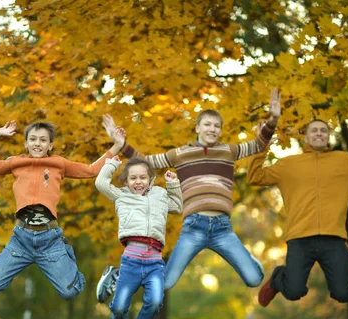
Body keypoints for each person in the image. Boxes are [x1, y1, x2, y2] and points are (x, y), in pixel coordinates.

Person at [96, 89, 281, 303]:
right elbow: (146, 162)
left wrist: (273, 120)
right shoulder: (180, 153)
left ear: (220, 131)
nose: (212, 129)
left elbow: (258, 145)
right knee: (164, 282)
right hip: (194, 227)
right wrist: (121, 145)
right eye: (208, 124)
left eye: (216, 126)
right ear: (197, 128)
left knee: (254, 278)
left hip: (222, 228)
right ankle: (117, 276)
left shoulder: (229, 151)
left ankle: (246, 259)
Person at [246, 111, 348, 307]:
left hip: (333, 237)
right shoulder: (288, 165)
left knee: (343, 294)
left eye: (323, 130)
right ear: (306, 136)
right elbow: (254, 176)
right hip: (300, 239)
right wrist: (261, 146)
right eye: (314, 130)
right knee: (294, 291)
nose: (319, 133)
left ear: (328, 136)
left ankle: (345, 256)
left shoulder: (345, 161)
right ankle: (278, 277)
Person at [0, 120, 125, 298]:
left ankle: (68, 256)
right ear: (26, 144)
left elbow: (91, 170)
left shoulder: (59, 163)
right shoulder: (16, 162)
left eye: (43, 140)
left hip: (50, 241)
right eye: (32, 139)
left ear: (50, 145)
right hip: (21, 240)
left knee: (70, 292)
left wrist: (117, 145)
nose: (37, 143)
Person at [95, 136, 183, 319]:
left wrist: (173, 185)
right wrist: (111, 164)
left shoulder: (160, 195)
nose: (138, 181)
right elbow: (100, 183)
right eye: (133, 178)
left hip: (154, 262)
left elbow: (177, 207)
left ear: (151, 180)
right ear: (126, 182)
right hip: (131, 261)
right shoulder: (121, 196)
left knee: (154, 302)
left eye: (143, 177)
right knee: (119, 307)